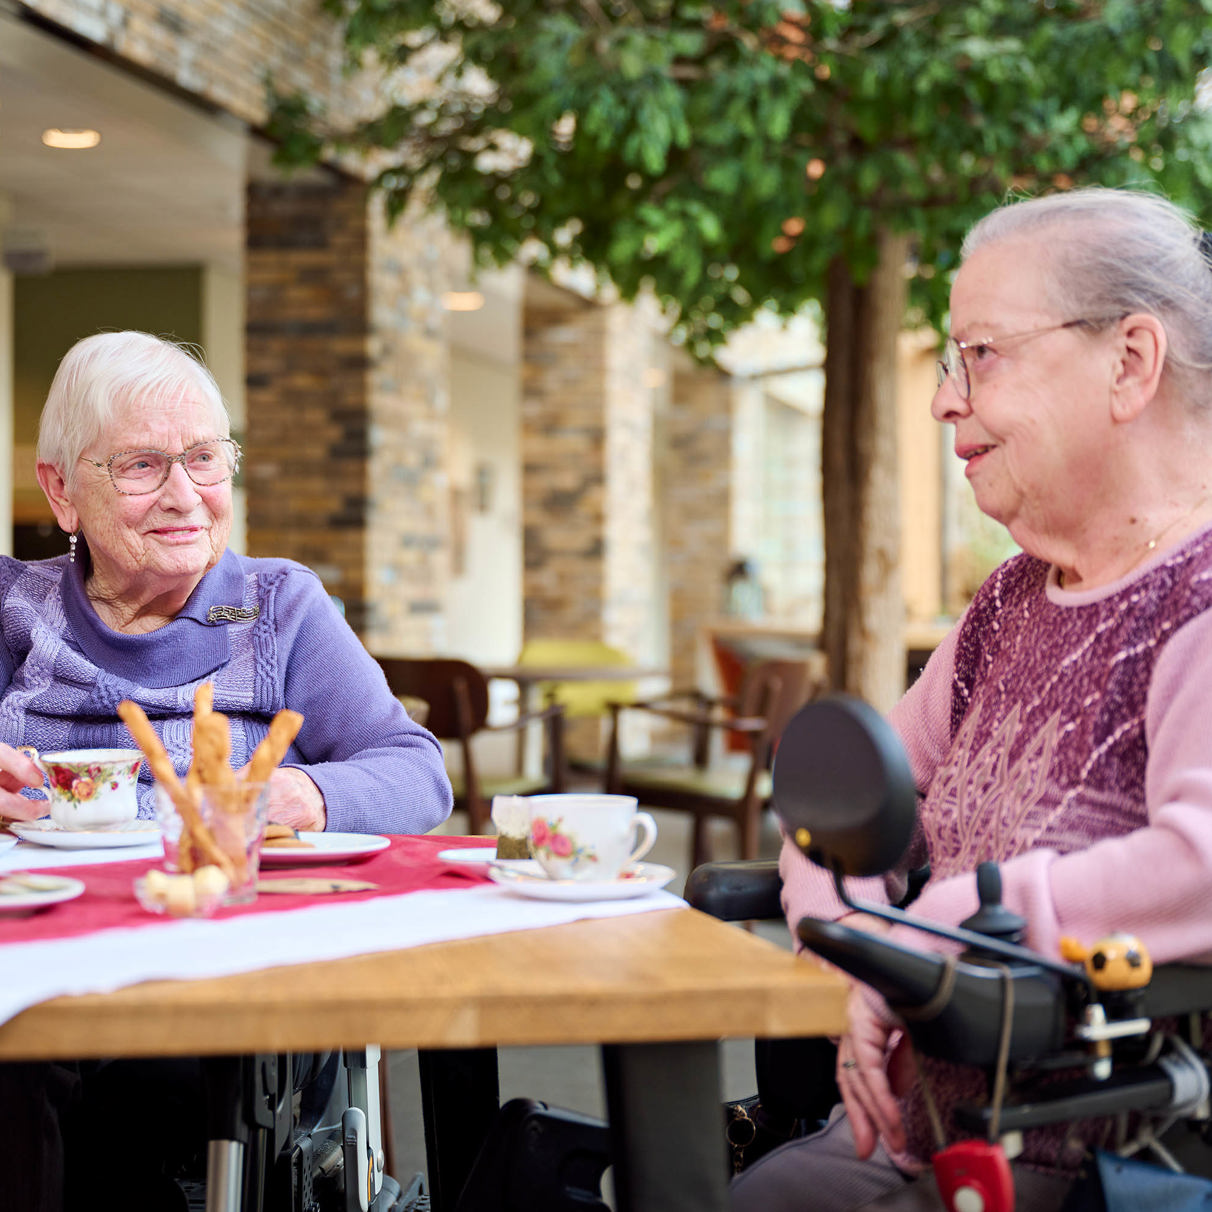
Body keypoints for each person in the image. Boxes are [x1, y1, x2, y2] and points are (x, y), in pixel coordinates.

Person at [733, 186, 1212, 1211]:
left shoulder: (1199, 596)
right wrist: (855, 954)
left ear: (1130, 363)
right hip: (904, 1140)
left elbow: (1203, 864)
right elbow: (840, 819)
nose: (948, 398)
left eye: (980, 356)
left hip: (1093, 1172)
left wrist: (950, 923)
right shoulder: (1008, 601)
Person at [0, 330, 454, 1211]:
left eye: (205, 459)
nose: (185, 496)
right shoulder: (10, 607)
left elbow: (415, 770)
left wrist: (297, 793)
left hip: (209, 961)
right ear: (62, 490)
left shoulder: (277, 605)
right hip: (28, 951)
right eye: (141, 465)